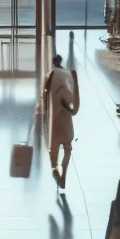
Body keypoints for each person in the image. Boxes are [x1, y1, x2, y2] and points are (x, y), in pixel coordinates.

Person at [44, 56, 76, 187]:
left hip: (54, 123)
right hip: (66, 121)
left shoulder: (50, 77)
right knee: (67, 149)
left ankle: (56, 172)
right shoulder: (67, 77)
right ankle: (64, 173)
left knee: (53, 150)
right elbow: (72, 99)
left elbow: (44, 97)